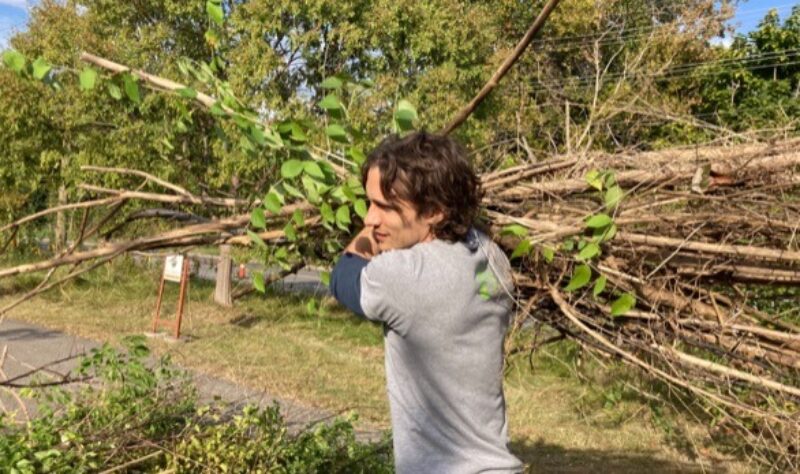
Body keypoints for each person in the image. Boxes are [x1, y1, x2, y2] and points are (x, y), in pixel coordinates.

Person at [329, 131, 523, 474]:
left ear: (434, 211)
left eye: (385, 207)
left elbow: (344, 277)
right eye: (369, 202)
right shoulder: (492, 257)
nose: (370, 218)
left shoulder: (404, 275)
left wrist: (367, 237)